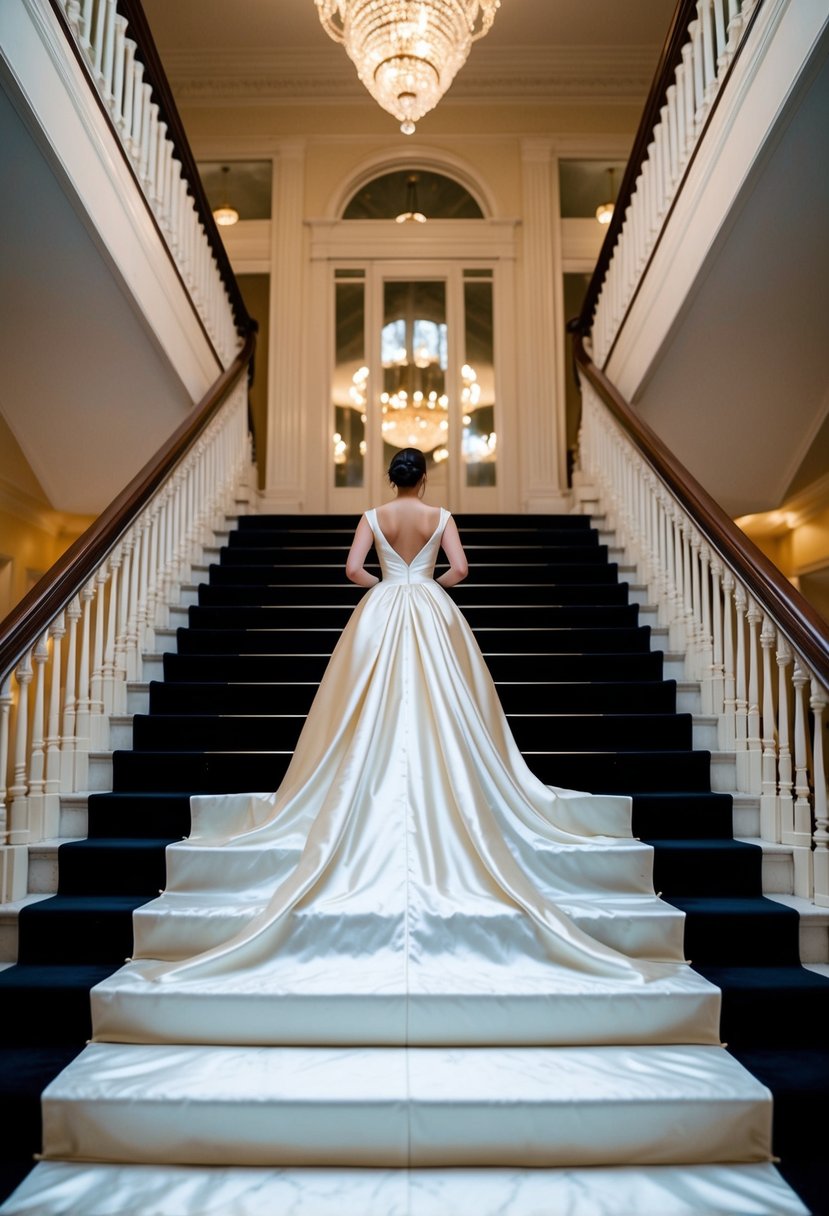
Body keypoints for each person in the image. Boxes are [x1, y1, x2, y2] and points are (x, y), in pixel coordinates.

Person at [91, 447, 721, 1048]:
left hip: (383, 606)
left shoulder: (373, 516)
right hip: (433, 608)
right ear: (423, 480)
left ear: (393, 480)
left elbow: (351, 570)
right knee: (448, 699)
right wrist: (428, 579)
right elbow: (464, 569)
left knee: (362, 701)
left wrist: (389, 579)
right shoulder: (440, 516)